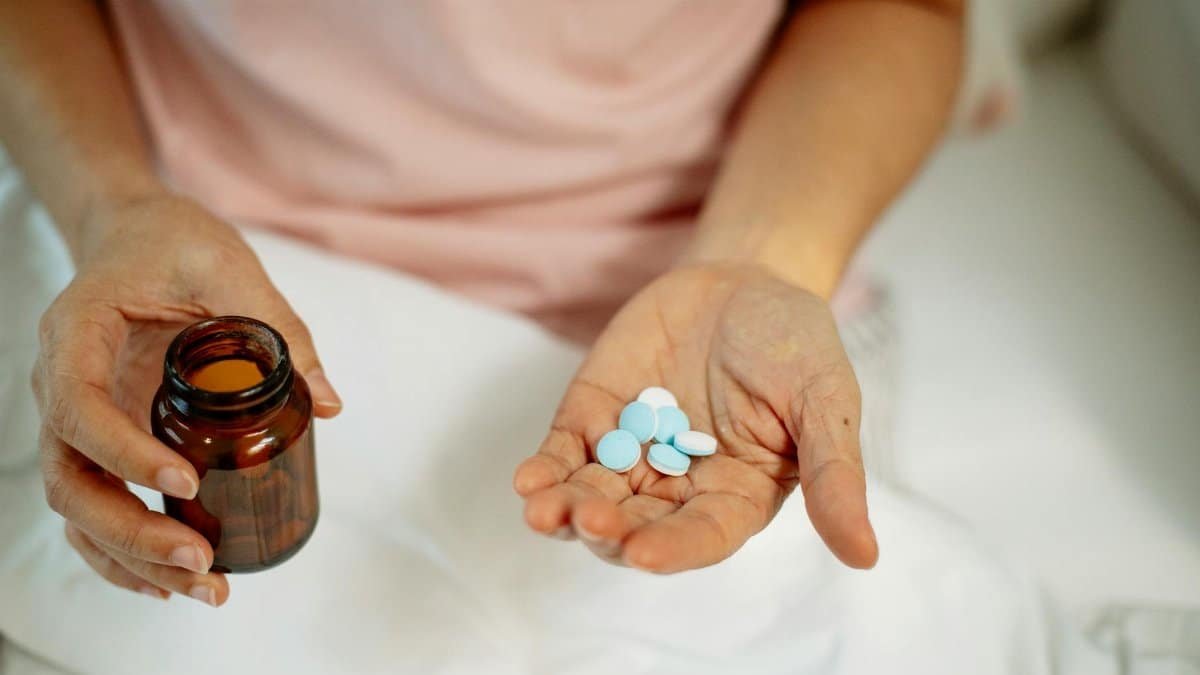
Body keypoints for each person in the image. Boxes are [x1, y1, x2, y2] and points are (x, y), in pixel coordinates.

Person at [0, 0, 963, 607]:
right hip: (184, 261)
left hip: (705, 268)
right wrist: (110, 206)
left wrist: (764, 260)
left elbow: (914, 9)